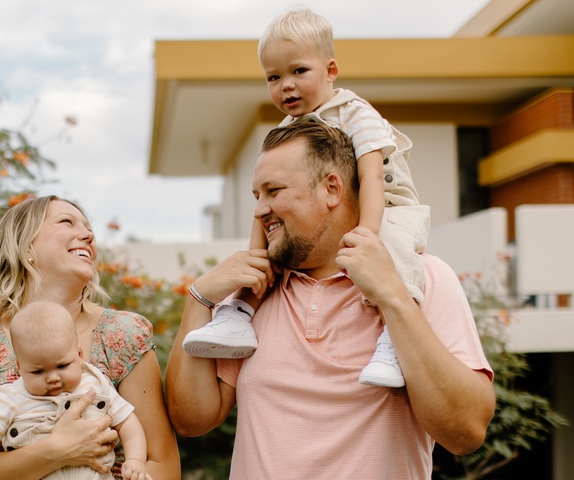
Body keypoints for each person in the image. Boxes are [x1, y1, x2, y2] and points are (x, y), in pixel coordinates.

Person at [166, 119, 495, 479]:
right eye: (256, 196)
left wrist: (393, 298)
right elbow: (191, 420)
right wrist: (199, 300)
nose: (259, 211)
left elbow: (466, 433)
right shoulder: (251, 297)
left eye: (273, 191)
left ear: (332, 189)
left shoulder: (423, 280)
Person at [182, 6, 431, 388]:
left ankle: (394, 341)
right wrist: (257, 257)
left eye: (299, 71)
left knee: (392, 251)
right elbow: (265, 198)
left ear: (330, 71)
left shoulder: (354, 112)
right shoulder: (287, 129)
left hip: (387, 205)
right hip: (332, 215)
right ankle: (239, 312)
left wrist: (367, 233)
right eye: (273, 77)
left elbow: (372, 176)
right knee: (276, 246)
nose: (287, 85)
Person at [0, 195, 180, 480]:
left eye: (89, 228)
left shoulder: (123, 334)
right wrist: (57, 450)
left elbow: (163, 467)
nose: (89, 235)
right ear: (25, 246)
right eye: (67, 221)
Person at [0, 301, 152, 480]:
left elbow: (128, 423)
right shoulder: (13, 396)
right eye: (38, 371)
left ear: (79, 354)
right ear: (19, 367)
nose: (53, 378)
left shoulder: (96, 384)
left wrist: (135, 460)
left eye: (62, 366)